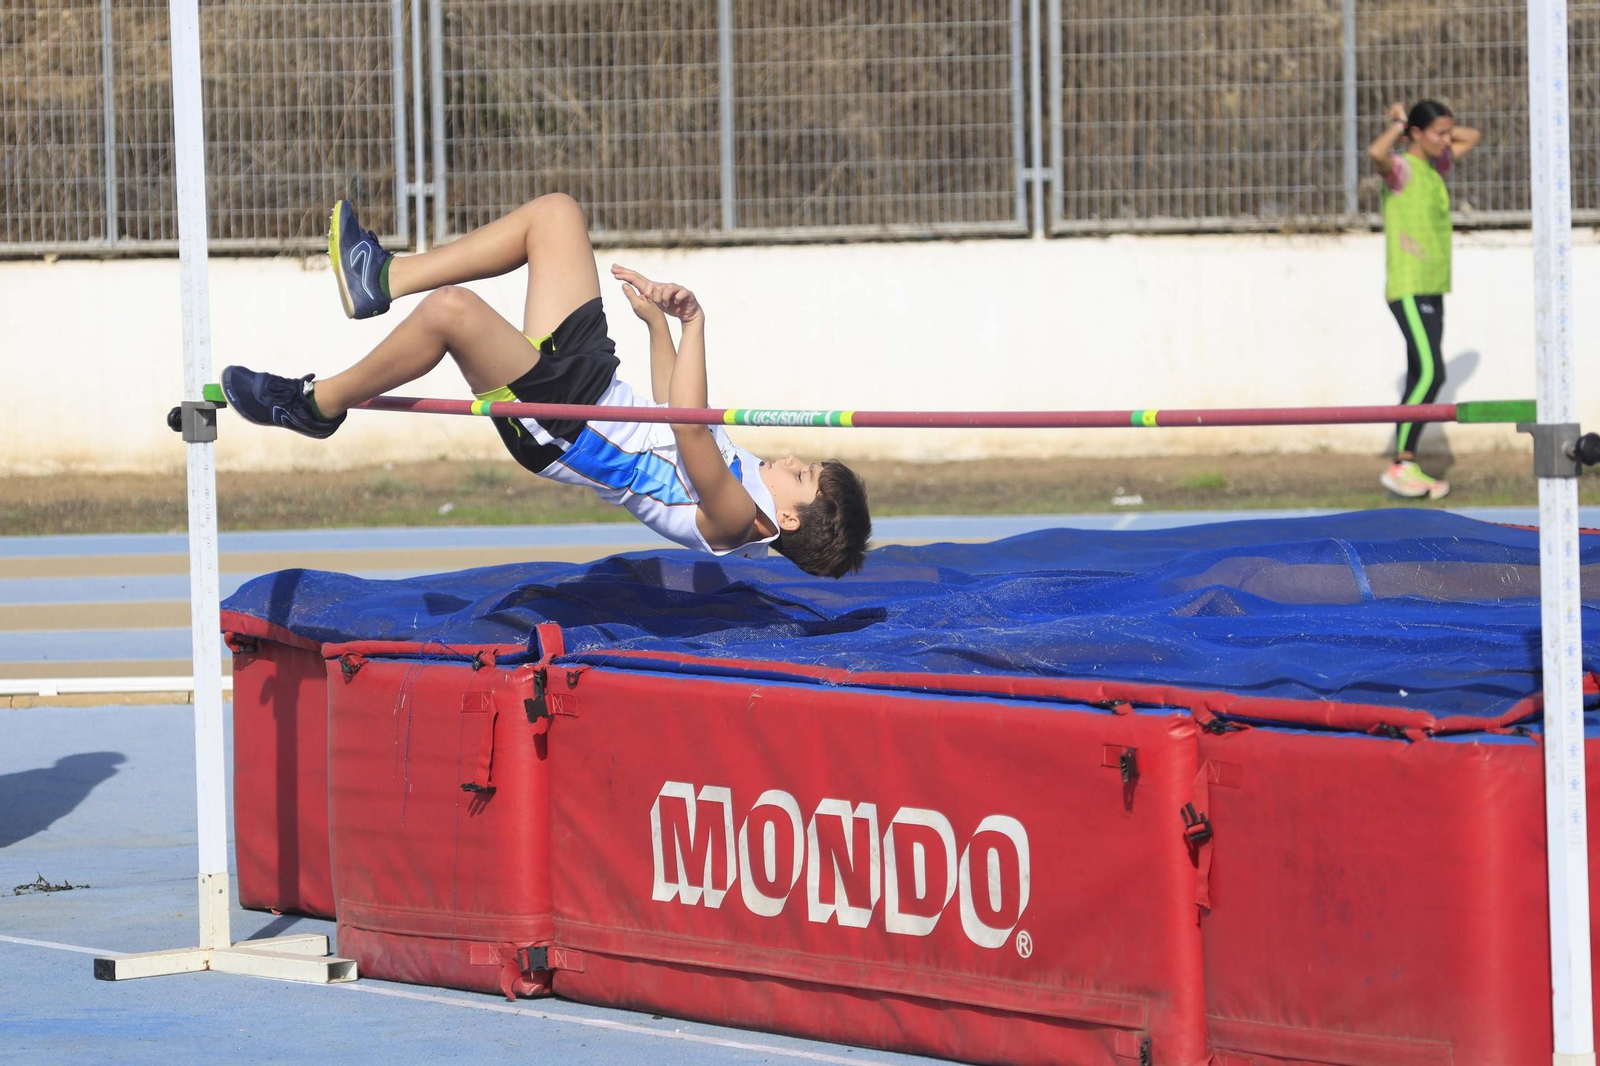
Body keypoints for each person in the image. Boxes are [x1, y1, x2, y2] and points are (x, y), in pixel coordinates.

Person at [220, 194, 871, 577]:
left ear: (790, 518)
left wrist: (695, 321)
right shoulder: (751, 477)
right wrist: (658, 326)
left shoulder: (735, 520)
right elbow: (668, 409)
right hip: (595, 387)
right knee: (557, 216)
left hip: (566, 427)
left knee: (452, 313)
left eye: (803, 475)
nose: (792, 458)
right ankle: (381, 276)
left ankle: (317, 404)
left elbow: (688, 424)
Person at [1367, 99, 1481, 500]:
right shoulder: (1401, 170)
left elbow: (1473, 136)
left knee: (1421, 374)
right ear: (1416, 134)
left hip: (1433, 286)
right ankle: (1401, 464)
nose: (1448, 140)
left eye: (1449, 133)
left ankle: (1407, 467)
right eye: (1439, 133)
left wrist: (1436, 132)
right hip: (1409, 286)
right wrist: (1400, 125)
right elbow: (1376, 153)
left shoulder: (1436, 166)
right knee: (1433, 372)